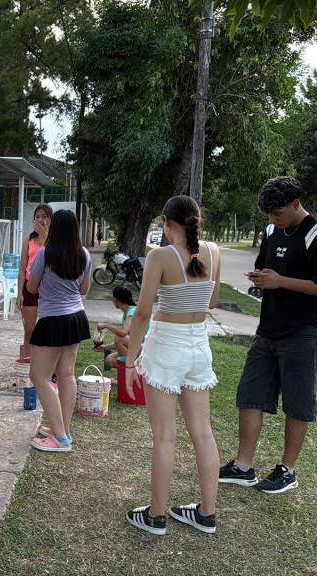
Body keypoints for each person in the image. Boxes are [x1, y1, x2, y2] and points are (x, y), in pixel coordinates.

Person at [219, 176, 317, 494]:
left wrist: (281, 282)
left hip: (305, 331)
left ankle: (287, 470)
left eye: (278, 214)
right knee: (250, 394)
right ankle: (243, 466)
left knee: (298, 402)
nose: (273, 221)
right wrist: (260, 278)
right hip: (268, 329)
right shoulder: (272, 230)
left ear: (296, 204)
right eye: (269, 216)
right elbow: (268, 268)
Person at [123, 196, 222, 536]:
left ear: (166, 222)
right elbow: (210, 301)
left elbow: (143, 312)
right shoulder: (214, 252)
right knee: (203, 434)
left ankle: (157, 515)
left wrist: (130, 361)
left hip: (166, 345)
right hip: (199, 345)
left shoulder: (160, 256)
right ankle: (207, 514)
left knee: (165, 437)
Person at [27, 209, 92, 452]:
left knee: (40, 377)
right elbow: (84, 290)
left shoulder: (45, 254)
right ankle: (62, 428)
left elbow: (31, 288)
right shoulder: (84, 254)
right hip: (76, 317)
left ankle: (60, 438)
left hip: (52, 320)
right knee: (66, 374)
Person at [17, 205, 53, 362]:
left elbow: (52, 260)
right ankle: (26, 363)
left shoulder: (54, 240)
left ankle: (45, 364)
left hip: (48, 288)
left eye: (44, 216)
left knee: (48, 330)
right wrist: (19, 293)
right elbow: (22, 268)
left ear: (51, 219)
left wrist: (45, 237)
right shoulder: (28, 240)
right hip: (29, 288)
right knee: (29, 331)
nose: (40, 220)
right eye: (37, 216)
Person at [93, 286, 137, 369]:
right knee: (109, 359)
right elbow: (125, 342)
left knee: (119, 338)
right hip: (136, 348)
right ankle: (130, 371)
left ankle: (128, 373)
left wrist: (106, 325)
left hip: (144, 350)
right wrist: (104, 348)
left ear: (115, 300)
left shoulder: (132, 311)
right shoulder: (127, 313)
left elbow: (123, 333)